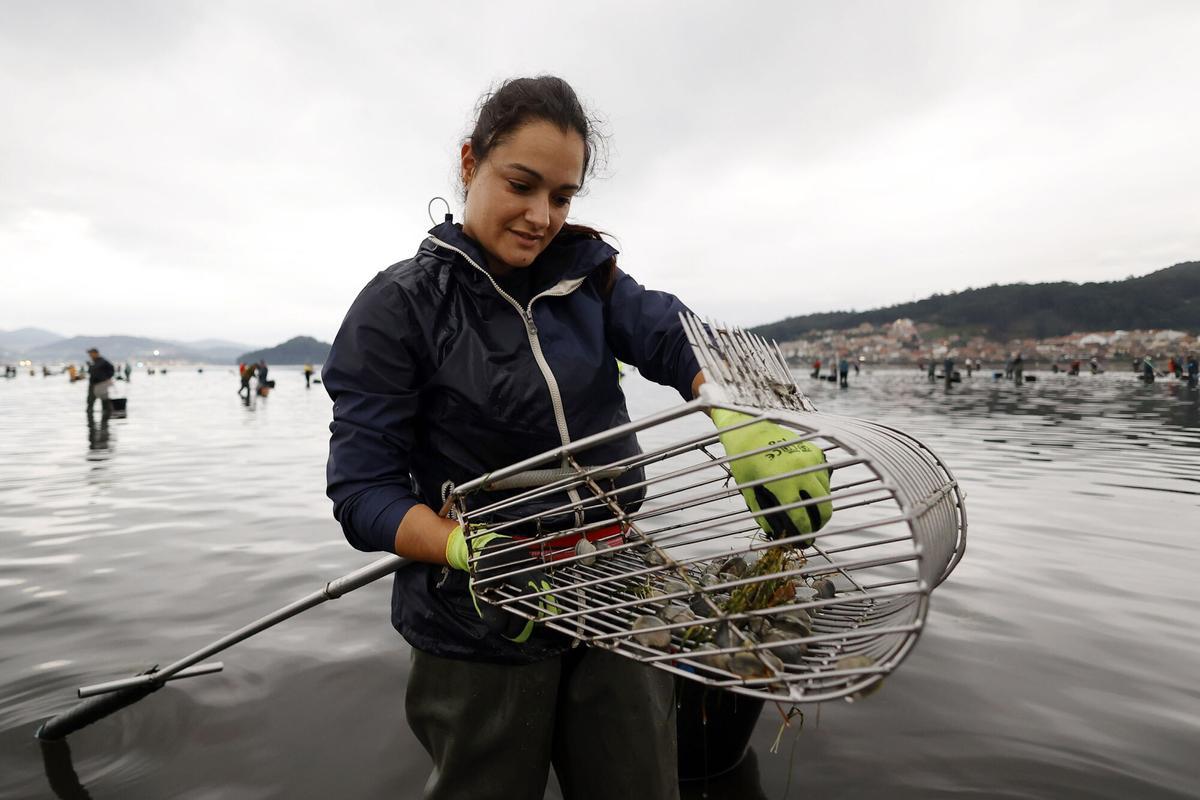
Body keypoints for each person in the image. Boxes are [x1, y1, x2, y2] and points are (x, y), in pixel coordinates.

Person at [322, 76, 831, 800]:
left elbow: (663, 329)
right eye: (521, 185)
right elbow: (361, 493)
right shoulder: (399, 308)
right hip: (480, 623)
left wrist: (724, 403)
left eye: (562, 197)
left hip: (614, 596)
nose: (541, 217)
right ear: (470, 163)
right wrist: (462, 547)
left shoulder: (586, 280)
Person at [85, 348, 115, 417]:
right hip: (93, 385)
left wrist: (106, 378)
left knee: (104, 402)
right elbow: (91, 372)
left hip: (101, 385)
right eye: (89, 354)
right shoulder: (94, 362)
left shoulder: (103, 361)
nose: (90, 355)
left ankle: (106, 417)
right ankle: (90, 417)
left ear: (96, 353)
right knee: (90, 402)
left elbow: (111, 370)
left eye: (91, 354)